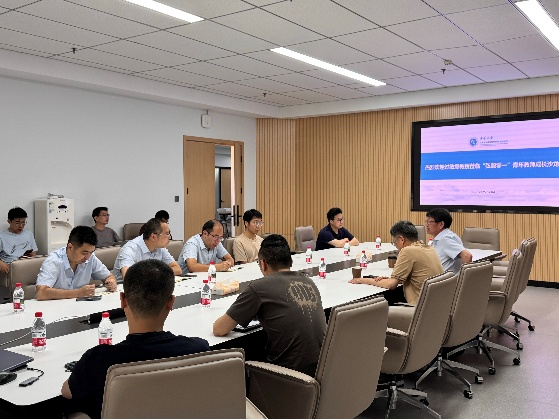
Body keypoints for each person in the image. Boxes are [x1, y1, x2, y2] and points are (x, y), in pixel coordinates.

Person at [61, 259, 210, 419]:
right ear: (171, 302)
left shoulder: (98, 359)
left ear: (123, 300)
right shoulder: (199, 350)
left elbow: (67, 392)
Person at [213, 234, 326, 376]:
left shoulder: (259, 287)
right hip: (323, 371)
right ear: (290, 260)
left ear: (263, 264)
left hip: (288, 377)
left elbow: (219, 329)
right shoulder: (309, 282)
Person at [349, 221, 443, 305]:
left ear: (401, 239)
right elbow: (418, 276)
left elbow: (391, 285)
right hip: (436, 304)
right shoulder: (429, 248)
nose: (395, 245)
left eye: (394, 241)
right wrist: (391, 279)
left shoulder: (407, 251)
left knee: (375, 301)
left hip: (418, 306)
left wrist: (362, 280)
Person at [35, 226, 117, 301]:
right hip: (53, 308)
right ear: (70, 247)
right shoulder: (53, 261)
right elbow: (41, 293)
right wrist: (78, 293)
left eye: (91, 252)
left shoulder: (90, 257)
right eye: (84, 253)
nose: (87, 257)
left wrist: (111, 281)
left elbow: (109, 276)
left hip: (80, 307)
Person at [113, 218, 180, 282]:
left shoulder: (160, 247)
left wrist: (156, 274)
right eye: (167, 234)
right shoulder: (130, 249)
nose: (170, 237)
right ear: (153, 237)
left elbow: (177, 269)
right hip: (125, 287)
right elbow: (128, 278)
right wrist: (155, 274)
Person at [425, 208, 473, 275]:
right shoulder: (442, 237)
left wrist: (463, 278)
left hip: (443, 280)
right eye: (426, 221)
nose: (426, 225)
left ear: (441, 224)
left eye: (429, 222)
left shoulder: (445, 239)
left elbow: (467, 256)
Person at [0, 207, 38, 274]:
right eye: (17, 223)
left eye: (23, 222)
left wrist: (32, 255)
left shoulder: (28, 234)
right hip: (10, 267)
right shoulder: (2, 236)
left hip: (27, 265)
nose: (21, 226)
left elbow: (34, 252)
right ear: (9, 221)